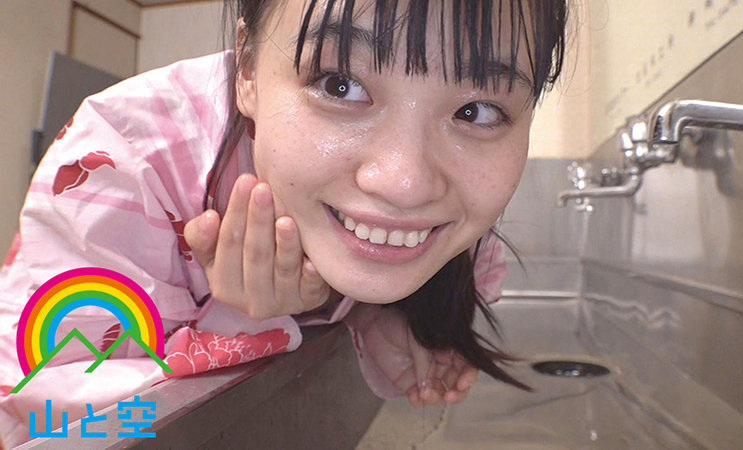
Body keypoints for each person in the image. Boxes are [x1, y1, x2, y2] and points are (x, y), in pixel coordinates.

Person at [0, 0, 567, 446]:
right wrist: (243, 325)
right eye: (340, 84)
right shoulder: (119, 165)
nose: (405, 183)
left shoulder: (465, 232)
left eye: (476, 111)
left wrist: (375, 315)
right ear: (247, 67)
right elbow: (42, 421)